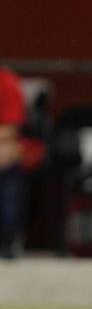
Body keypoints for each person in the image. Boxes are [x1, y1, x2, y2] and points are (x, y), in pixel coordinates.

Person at [0, 67, 26, 259]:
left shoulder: (6, 82)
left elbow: (10, 129)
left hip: (3, 144)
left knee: (6, 153)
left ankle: (9, 236)